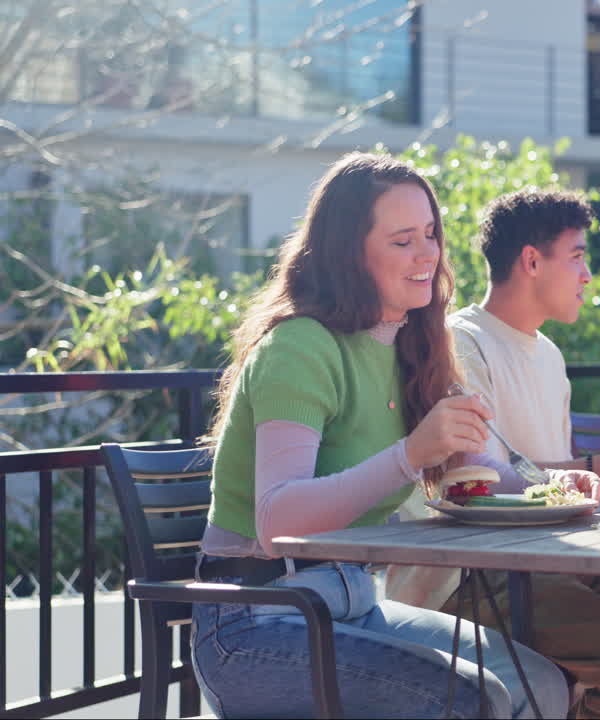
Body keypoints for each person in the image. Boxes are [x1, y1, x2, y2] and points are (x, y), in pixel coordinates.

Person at [191, 153, 569, 719]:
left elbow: (485, 479)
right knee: (475, 699)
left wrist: (557, 487)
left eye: (430, 234)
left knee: (541, 685)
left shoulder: (412, 345)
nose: (427, 254)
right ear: (349, 253)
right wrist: (412, 454)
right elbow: (275, 522)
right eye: (402, 241)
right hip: (255, 622)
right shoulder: (299, 347)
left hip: (357, 605)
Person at [388, 188, 600, 720]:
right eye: (577, 257)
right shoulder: (461, 343)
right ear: (531, 261)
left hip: (555, 559)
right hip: (471, 573)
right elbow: (478, 479)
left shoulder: (548, 354)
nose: (587, 275)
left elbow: (552, 472)